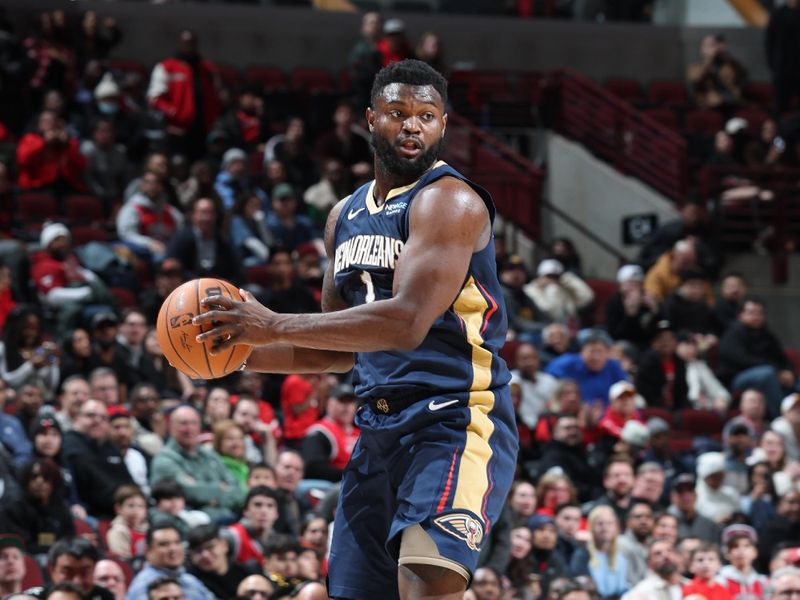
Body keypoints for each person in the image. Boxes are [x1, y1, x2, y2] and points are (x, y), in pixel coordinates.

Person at [193, 59, 518, 600]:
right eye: (397, 113)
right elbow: (332, 352)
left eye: (426, 116)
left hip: (454, 420)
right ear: (371, 119)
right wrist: (232, 352)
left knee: (426, 581)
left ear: (442, 126)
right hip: (378, 428)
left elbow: (408, 321)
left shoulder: (448, 202)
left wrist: (269, 324)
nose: (412, 125)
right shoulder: (343, 216)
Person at [149, 405, 244, 522]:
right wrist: (219, 487)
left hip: (226, 518)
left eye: (194, 423)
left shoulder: (209, 454)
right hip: (188, 524)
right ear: (171, 428)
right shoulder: (164, 459)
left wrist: (207, 492)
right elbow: (189, 491)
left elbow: (237, 488)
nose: (190, 428)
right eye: (184, 424)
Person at [147, 30, 220, 160]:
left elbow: (215, 95)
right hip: (176, 131)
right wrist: (172, 113)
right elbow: (155, 99)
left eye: (192, 43)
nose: (189, 46)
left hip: (202, 131)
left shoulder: (207, 68)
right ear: (179, 44)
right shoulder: (167, 66)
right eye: (186, 43)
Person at [718, 297, 795, 418]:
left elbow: (782, 358)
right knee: (766, 374)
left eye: (759, 313)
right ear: (740, 315)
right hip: (738, 378)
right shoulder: (732, 334)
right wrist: (776, 371)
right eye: (751, 313)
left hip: (771, 372)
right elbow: (742, 360)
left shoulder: (767, 335)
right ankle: (782, 417)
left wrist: (788, 371)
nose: (756, 316)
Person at [62, 399, 134, 519]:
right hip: (92, 513)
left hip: (120, 508)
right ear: (77, 417)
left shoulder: (108, 446)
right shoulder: (71, 444)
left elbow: (128, 481)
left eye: (103, 418)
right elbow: (98, 489)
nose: (97, 421)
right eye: (90, 415)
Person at [125, 525, 213, 600]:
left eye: (177, 542)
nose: (173, 549)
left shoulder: (189, 580)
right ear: (148, 551)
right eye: (164, 544)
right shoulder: (143, 586)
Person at [116, 170, 183, 264]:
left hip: (169, 250)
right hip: (144, 252)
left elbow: (181, 233)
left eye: (156, 183)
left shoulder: (171, 211)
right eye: (148, 182)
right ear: (142, 186)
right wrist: (150, 243)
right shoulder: (132, 208)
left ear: (161, 187)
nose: (152, 186)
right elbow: (127, 235)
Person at [301, 383, 360, 482]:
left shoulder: (360, 433)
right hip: (333, 486)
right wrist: (353, 475)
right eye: (342, 401)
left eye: (350, 402)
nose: (347, 407)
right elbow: (313, 468)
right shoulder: (320, 432)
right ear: (329, 403)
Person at [25, 537, 114, 600]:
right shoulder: (33, 597)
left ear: (94, 570)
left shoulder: (105, 596)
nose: (77, 581)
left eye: (84, 572)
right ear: (52, 570)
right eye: (68, 572)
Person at [186, 525, 253, 600]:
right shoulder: (191, 583)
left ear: (224, 545)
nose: (205, 555)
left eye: (210, 547)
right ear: (191, 555)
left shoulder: (246, 572)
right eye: (198, 551)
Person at [686, 33, 747, 110]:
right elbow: (696, 79)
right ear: (702, 49)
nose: (714, 48)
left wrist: (724, 55)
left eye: (715, 45)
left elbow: (741, 74)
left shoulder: (727, 66)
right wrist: (709, 58)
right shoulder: (694, 67)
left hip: (731, 105)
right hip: (708, 106)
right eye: (710, 45)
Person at [224, 486, 280, 566]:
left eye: (270, 506)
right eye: (258, 505)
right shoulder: (231, 535)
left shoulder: (278, 541)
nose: (264, 511)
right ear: (246, 511)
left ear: (277, 514)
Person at [620, 538, 685, 600]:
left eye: (669, 550)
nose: (666, 556)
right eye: (658, 554)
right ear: (650, 563)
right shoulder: (643, 590)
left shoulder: (688, 583)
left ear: (678, 555)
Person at [766, 0, 800, 116]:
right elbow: (770, 42)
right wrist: (774, 65)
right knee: (780, 106)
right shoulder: (778, 14)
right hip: (782, 69)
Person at [106, 484, 149, 559]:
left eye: (140, 506)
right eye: (131, 506)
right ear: (118, 508)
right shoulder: (117, 532)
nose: (136, 511)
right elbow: (123, 561)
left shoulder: (148, 528)